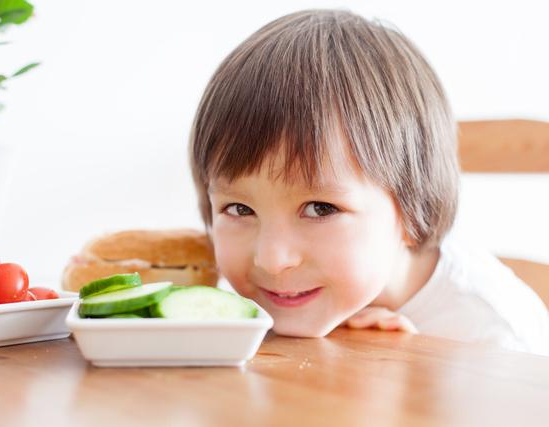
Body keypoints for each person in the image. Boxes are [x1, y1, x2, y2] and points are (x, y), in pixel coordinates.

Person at [188, 9, 549, 355]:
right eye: (239, 208)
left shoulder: (490, 341)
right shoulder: (266, 305)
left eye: (320, 208)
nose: (272, 260)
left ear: (411, 212)